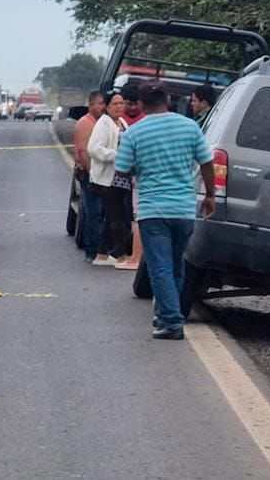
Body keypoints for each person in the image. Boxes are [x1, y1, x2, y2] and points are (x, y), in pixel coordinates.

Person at [115, 81, 216, 340]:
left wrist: (141, 166)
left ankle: (171, 322)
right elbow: (206, 162)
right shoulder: (189, 126)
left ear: (141, 103)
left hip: (153, 210)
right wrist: (210, 195)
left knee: (160, 268)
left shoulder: (134, 133)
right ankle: (166, 313)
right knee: (176, 266)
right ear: (168, 99)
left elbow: (122, 169)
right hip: (184, 209)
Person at [87, 92, 130, 267]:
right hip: (107, 179)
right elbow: (93, 148)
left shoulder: (122, 122)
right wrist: (116, 155)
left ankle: (102, 254)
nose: (119, 106)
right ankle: (121, 256)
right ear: (107, 106)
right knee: (117, 217)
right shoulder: (103, 123)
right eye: (115, 104)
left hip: (121, 178)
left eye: (121, 103)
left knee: (114, 216)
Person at [73, 91, 106, 262]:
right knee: (93, 212)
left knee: (100, 212)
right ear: (90, 104)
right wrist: (92, 174)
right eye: (99, 103)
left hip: (101, 173)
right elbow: (83, 151)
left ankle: (100, 248)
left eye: (103, 103)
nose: (102, 107)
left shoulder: (102, 123)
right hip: (90, 173)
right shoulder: (85, 123)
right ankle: (92, 250)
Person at [118, 83, 145, 270]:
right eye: (129, 104)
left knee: (137, 218)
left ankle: (135, 255)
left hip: (138, 180)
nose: (133, 108)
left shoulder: (145, 122)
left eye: (136, 104)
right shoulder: (117, 121)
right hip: (122, 179)